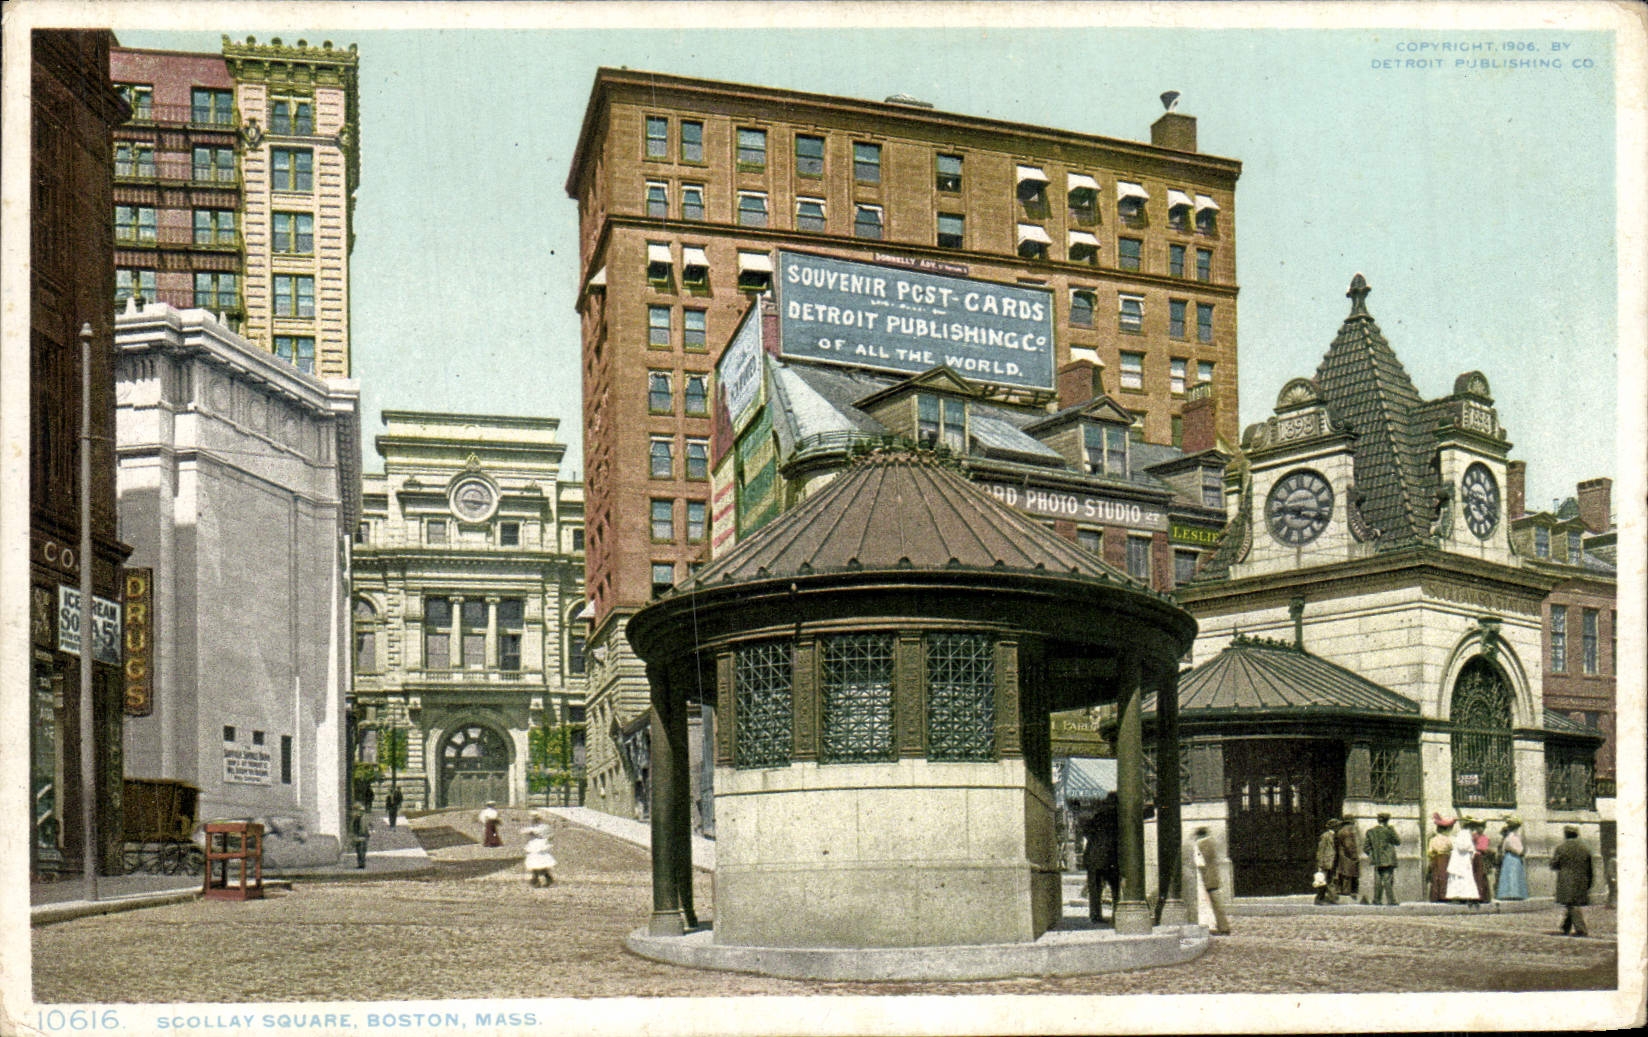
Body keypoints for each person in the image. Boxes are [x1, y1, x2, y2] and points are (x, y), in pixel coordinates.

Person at [1082, 794, 1119, 925]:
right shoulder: (1117, 816)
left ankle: (1095, 915)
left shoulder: (1097, 817)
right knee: (1116, 888)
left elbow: (1086, 831)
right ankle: (1117, 915)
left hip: (1093, 858)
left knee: (1095, 890)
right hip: (1110, 858)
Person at [1551, 824, 1594, 937]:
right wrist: (1589, 881)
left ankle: (1581, 929)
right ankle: (1565, 927)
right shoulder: (1585, 847)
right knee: (1572, 903)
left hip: (1567, 880)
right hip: (1582, 879)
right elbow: (1590, 867)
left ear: (1565, 834)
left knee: (1572, 904)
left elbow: (1554, 864)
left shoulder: (1561, 848)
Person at [1192, 826, 1230, 934]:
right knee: (1215, 903)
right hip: (1213, 876)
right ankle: (1221, 926)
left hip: (1207, 877)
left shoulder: (1201, 844)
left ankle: (1222, 927)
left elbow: (1200, 862)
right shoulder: (1211, 843)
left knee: (1213, 903)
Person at [1364, 812, 1400, 906]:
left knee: (1378, 880)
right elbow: (1398, 841)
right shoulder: (1389, 830)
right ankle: (1391, 900)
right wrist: (1391, 829)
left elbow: (1366, 847)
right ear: (1387, 820)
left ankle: (1377, 900)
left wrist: (1372, 854)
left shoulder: (1371, 831)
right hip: (1388, 859)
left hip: (1377, 860)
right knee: (1387, 880)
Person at [1446, 815, 1480, 903]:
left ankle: (1465, 896)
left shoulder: (1467, 834)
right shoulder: (1463, 833)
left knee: (1465, 877)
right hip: (1460, 860)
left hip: (1464, 860)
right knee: (1460, 877)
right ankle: (1458, 896)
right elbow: (1462, 846)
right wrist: (1471, 848)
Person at [1495, 815, 1529, 901]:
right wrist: (1523, 851)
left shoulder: (1508, 838)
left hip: (1508, 858)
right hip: (1514, 858)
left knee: (1510, 875)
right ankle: (1514, 893)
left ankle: (1509, 893)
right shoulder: (1513, 838)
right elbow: (1519, 851)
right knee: (1513, 875)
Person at [521, 810, 557, 887]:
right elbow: (523, 831)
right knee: (535, 862)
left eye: (534, 819)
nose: (532, 820)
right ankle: (539, 878)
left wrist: (543, 838)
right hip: (535, 845)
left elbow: (550, 836)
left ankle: (538, 879)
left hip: (539, 845)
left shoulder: (542, 827)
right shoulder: (534, 828)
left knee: (539, 862)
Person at [1427, 814, 1456, 902]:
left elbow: (1430, 851)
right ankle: (1445, 895)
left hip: (1436, 859)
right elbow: (1452, 848)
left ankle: (1436, 896)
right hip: (1446, 859)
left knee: (1436, 877)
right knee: (1446, 877)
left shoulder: (1433, 839)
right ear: (1446, 830)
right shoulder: (1449, 839)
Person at [1335, 818, 1362, 901]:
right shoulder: (1348, 832)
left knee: (1344, 874)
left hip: (1342, 856)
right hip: (1348, 857)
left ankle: (1341, 891)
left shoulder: (1341, 831)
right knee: (1348, 874)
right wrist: (1354, 856)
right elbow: (1349, 845)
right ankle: (1347, 893)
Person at [1315, 818, 1340, 904]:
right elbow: (1321, 850)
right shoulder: (1325, 836)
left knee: (1330, 880)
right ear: (1334, 827)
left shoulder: (1335, 836)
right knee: (1323, 881)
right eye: (1337, 826)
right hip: (1326, 861)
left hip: (1331, 862)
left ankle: (1332, 898)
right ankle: (1319, 899)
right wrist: (1320, 863)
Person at [1469, 819, 1493, 903]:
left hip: (1483, 858)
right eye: (1479, 827)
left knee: (1483, 876)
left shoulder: (1485, 838)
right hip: (1475, 857)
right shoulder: (1473, 836)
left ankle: (1484, 896)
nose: (1481, 829)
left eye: (1482, 827)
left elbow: (1484, 848)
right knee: (1475, 876)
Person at [349, 802, 370, 869]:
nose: (353, 812)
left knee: (361, 850)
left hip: (361, 836)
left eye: (354, 810)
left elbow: (363, 828)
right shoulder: (357, 818)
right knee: (359, 850)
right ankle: (361, 864)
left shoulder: (361, 818)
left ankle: (362, 864)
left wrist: (362, 835)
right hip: (359, 836)